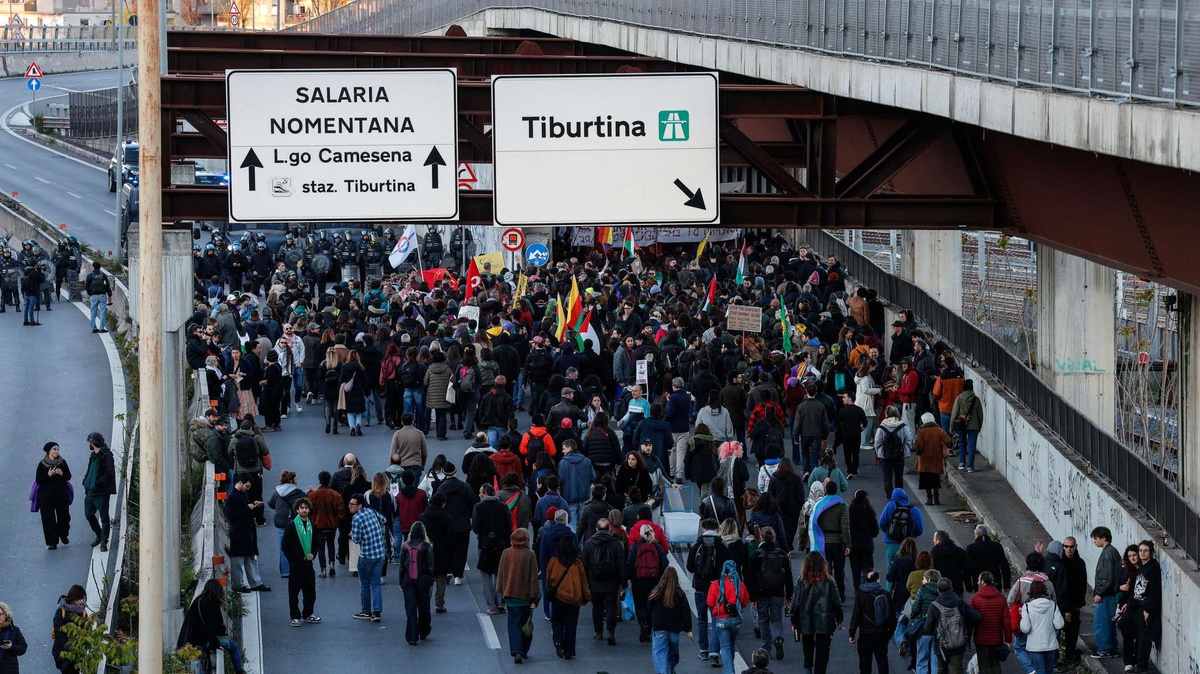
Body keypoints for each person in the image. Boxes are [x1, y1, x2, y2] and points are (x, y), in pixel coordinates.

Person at [178, 579, 247, 674]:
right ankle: (239, 671)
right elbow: (212, 628)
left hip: (193, 641)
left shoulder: (198, 600)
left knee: (203, 666)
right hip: (207, 641)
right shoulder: (212, 604)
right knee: (233, 647)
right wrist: (216, 644)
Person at [791, 551, 843, 674]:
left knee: (807, 646)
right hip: (824, 620)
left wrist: (793, 620)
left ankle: (808, 669)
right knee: (823, 650)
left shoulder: (801, 580)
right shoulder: (829, 581)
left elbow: (795, 603)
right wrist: (839, 618)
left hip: (805, 618)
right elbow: (836, 601)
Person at [745, 526, 792, 661]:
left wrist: (752, 598)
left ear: (761, 537)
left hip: (761, 592)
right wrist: (789, 594)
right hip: (778, 591)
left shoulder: (756, 555)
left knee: (763, 619)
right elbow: (788, 577)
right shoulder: (781, 554)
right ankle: (778, 637)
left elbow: (750, 578)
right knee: (776, 618)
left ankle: (766, 648)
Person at [496, 528, 541, 664]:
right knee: (525, 624)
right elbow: (533, 577)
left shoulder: (506, 553)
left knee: (513, 624)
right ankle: (524, 650)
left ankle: (516, 650)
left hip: (510, 595)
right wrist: (535, 596)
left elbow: (501, 573)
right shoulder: (530, 555)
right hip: (526, 597)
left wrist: (501, 591)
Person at [921, 577, 981, 674]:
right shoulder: (960, 603)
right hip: (958, 644)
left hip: (941, 645)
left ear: (938, 590)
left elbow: (927, 628)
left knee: (941, 670)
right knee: (957, 670)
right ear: (952, 589)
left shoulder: (934, 606)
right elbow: (977, 617)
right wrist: (964, 625)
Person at [545, 535, 590, 659]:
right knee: (571, 624)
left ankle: (558, 641)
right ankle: (569, 650)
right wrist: (586, 597)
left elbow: (548, 579)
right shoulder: (577, 564)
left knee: (557, 621)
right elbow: (583, 582)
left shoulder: (554, 561)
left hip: (559, 597)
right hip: (574, 599)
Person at [582, 518, 627, 644]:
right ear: (609, 529)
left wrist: (585, 582)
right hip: (612, 582)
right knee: (611, 606)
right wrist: (624, 583)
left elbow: (584, 564)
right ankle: (610, 631)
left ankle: (598, 632)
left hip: (594, 582)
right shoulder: (616, 544)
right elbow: (621, 565)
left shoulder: (589, 544)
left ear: (596, 529)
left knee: (597, 608)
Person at [472, 483, 514, 615]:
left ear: (485, 493)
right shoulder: (503, 506)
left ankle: (492, 606)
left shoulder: (479, 507)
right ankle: (500, 601)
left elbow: (475, 527)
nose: (479, 495)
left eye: (480, 492)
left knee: (486, 575)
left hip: (485, 544)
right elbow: (509, 526)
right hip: (501, 544)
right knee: (500, 573)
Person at [280, 497, 320, 628]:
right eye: (302, 508)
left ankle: (308, 614)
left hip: (308, 564)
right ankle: (295, 617)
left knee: (310, 592)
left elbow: (316, 543)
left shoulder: (312, 525)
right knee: (294, 593)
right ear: (297, 510)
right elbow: (285, 546)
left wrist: (313, 554)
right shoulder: (291, 526)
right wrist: (292, 560)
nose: (304, 510)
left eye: (306, 508)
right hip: (296, 565)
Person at [435, 462, 477, 585]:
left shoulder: (441, 488)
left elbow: (436, 506)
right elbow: (472, 503)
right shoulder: (465, 487)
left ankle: (448, 571)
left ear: (444, 473)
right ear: (455, 472)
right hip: (462, 523)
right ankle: (458, 576)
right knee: (461, 550)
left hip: (446, 525)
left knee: (447, 549)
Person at [349, 493, 388, 622]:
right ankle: (377, 612)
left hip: (367, 555)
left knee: (364, 585)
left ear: (359, 505)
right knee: (376, 584)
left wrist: (352, 534)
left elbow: (356, 539)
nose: (350, 506)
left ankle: (366, 611)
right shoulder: (371, 511)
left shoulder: (356, 518)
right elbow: (384, 520)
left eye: (352, 504)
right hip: (380, 554)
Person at [228, 473, 270, 593]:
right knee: (238, 560)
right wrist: (247, 508)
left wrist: (252, 506)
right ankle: (238, 584)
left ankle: (255, 583)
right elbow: (231, 515)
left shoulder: (242, 494)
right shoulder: (232, 497)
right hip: (239, 532)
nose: (248, 488)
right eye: (247, 486)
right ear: (240, 482)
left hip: (247, 531)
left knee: (251, 557)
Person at [809, 480, 851, 601]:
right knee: (839, 571)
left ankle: (827, 594)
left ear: (825, 490)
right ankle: (840, 595)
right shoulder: (842, 506)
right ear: (837, 490)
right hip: (838, 542)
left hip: (824, 542)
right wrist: (848, 544)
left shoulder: (820, 505)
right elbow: (845, 527)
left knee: (826, 569)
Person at [708, 559, 751, 674]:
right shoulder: (739, 584)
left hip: (721, 619)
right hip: (736, 619)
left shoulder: (716, 584)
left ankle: (729, 671)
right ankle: (727, 669)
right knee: (731, 646)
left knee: (725, 647)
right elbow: (745, 601)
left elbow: (710, 602)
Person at [627, 524, 668, 643]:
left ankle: (642, 624)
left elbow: (630, 564)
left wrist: (632, 577)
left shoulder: (636, 547)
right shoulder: (657, 546)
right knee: (651, 605)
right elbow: (665, 563)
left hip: (639, 580)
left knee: (639, 604)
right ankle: (649, 628)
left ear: (641, 533)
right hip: (654, 580)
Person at [396, 521, 435, 645]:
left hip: (408, 580)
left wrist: (401, 581)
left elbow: (402, 566)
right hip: (423, 580)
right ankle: (424, 630)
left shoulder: (405, 546)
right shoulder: (426, 546)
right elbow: (431, 566)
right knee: (424, 606)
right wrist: (431, 580)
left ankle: (412, 636)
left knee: (411, 607)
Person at [848, 571, 893, 674]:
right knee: (882, 661)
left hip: (865, 634)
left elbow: (856, 615)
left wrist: (852, 632)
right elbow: (891, 615)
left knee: (865, 664)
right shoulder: (885, 594)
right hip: (881, 633)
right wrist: (890, 631)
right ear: (878, 580)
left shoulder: (861, 594)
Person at [418, 492, 455, 614]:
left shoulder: (424, 516)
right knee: (441, 578)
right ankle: (439, 603)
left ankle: (426, 602)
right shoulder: (446, 517)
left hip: (426, 550)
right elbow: (451, 537)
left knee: (427, 578)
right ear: (443, 503)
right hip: (442, 550)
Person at [1089, 525, 1123, 659]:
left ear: (1104, 538)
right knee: (1109, 623)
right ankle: (1111, 648)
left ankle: (1104, 649)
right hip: (1111, 594)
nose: (1094, 541)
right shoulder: (1112, 551)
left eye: (1096, 538)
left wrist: (1099, 592)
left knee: (1101, 623)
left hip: (1106, 595)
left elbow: (1106, 577)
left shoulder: (1107, 553)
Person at [967, 571, 1010, 674]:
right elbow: (1006, 621)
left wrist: (968, 638)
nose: (977, 582)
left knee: (983, 665)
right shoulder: (1001, 598)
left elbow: (970, 620)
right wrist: (1008, 639)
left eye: (978, 580)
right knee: (995, 664)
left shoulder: (975, 599)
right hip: (996, 638)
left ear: (983, 582)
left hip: (980, 639)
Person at [1129, 540, 1161, 674]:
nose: (1142, 553)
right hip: (1137, 606)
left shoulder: (1153, 568)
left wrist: (1148, 609)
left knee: (1144, 637)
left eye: (1145, 550)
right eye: (1141, 550)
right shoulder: (1142, 566)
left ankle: (1142, 665)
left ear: (1151, 552)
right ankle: (1135, 661)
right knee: (1129, 628)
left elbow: (1155, 591)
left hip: (1146, 607)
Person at [1019, 580, 1064, 674]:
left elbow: (1025, 628)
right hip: (1050, 644)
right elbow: (1059, 624)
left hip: (1035, 646)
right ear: (1045, 590)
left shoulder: (1027, 607)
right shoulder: (1052, 605)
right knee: (1050, 668)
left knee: (1040, 668)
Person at [306, 471, 345, 578]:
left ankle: (323, 569)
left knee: (321, 547)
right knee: (331, 545)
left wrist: (312, 521)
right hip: (331, 525)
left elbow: (308, 510)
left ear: (319, 481)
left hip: (318, 525)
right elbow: (341, 511)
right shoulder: (336, 495)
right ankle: (332, 564)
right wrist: (336, 521)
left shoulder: (313, 495)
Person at [82, 432, 116, 552]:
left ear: (93, 443)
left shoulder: (106, 455)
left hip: (101, 492)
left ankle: (103, 541)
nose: (89, 444)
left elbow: (109, 473)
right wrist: (86, 480)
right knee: (88, 514)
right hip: (90, 492)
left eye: (90, 442)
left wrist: (97, 484)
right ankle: (99, 534)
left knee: (104, 517)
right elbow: (89, 469)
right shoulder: (93, 455)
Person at [34, 441, 72, 550]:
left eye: (58, 449)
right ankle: (52, 542)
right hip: (46, 496)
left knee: (64, 517)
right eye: (54, 449)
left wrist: (61, 474)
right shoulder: (42, 464)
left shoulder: (62, 462)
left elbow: (68, 476)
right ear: (49, 451)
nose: (56, 451)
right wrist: (48, 475)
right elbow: (38, 480)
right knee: (48, 519)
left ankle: (63, 534)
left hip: (61, 494)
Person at [269, 471, 306, 578]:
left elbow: (271, 504)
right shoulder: (298, 492)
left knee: (283, 546)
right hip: (294, 522)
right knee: (296, 545)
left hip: (281, 522)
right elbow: (306, 503)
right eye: (295, 479)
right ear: (291, 480)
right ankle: (296, 569)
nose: (297, 481)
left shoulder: (277, 492)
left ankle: (285, 571)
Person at [878, 488, 924, 576]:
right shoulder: (914, 510)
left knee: (891, 570)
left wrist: (889, 533)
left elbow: (881, 523)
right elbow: (920, 529)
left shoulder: (890, 506)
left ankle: (890, 585)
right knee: (910, 569)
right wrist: (911, 535)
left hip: (892, 543)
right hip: (908, 544)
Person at [906, 569, 941, 674]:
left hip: (923, 629)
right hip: (937, 630)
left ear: (929, 579)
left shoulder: (922, 590)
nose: (922, 581)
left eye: (924, 579)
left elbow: (915, 609)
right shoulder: (941, 592)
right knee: (935, 661)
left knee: (922, 659)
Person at [1059, 536, 1088, 667]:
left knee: (1073, 629)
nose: (1069, 549)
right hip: (1062, 603)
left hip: (1074, 602)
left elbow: (1082, 584)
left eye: (1071, 546)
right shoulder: (1061, 563)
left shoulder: (1080, 563)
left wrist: (1079, 602)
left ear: (1076, 547)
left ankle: (1070, 652)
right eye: (1066, 546)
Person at [912, 413, 950, 505]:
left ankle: (929, 498)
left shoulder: (921, 431)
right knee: (935, 479)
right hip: (936, 458)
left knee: (926, 480)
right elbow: (948, 440)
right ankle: (936, 497)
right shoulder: (939, 430)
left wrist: (916, 449)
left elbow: (919, 445)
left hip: (925, 459)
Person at [873, 407, 912, 496]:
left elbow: (877, 442)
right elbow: (908, 439)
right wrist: (905, 450)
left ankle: (889, 497)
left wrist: (879, 452)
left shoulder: (882, 426)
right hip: (899, 455)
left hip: (885, 456)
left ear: (886, 414)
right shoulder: (902, 426)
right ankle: (899, 496)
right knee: (899, 478)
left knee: (887, 478)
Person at [51, 585, 88, 674]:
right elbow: (59, 634)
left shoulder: (83, 613)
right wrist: (69, 648)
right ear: (74, 598)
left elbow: (85, 632)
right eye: (80, 599)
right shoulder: (61, 612)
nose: (82, 601)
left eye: (83, 599)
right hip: (63, 651)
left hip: (77, 652)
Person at [948, 380, 983, 472]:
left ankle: (961, 463)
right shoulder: (976, 399)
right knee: (972, 446)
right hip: (974, 425)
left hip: (961, 425)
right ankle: (970, 467)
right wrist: (979, 426)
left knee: (961, 443)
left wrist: (951, 427)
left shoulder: (959, 398)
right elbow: (980, 415)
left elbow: (954, 414)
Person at [847, 489, 879, 588]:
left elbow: (848, 530)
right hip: (867, 546)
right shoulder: (869, 512)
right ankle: (869, 589)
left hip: (854, 548)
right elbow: (875, 531)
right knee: (868, 570)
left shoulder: (850, 512)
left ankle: (857, 591)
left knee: (855, 572)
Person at [965, 524, 1010, 593]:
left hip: (979, 583)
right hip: (995, 582)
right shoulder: (997, 546)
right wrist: (1006, 585)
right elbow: (1005, 566)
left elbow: (967, 568)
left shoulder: (971, 548)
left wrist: (969, 587)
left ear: (977, 534)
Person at [931, 530, 969, 596]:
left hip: (940, 588)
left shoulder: (933, 554)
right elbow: (967, 567)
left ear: (938, 541)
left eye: (934, 539)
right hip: (957, 587)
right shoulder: (959, 551)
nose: (933, 541)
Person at [0, 602, 28, 673]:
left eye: (0, 614)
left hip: (10, 670)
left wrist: (12, 646)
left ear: (6, 615)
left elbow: (23, 648)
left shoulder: (14, 630)